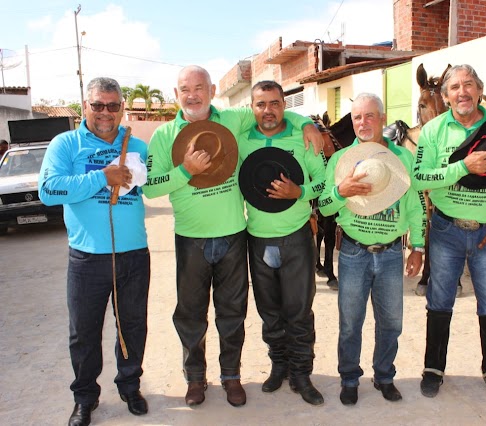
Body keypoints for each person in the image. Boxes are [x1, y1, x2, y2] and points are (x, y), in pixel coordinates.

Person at [142, 65, 323, 408]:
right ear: (176, 94)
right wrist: (185, 172)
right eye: (185, 89)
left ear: (212, 90)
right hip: (191, 238)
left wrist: (308, 123)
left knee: (232, 313)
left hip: (235, 236)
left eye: (199, 87)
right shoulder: (165, 136)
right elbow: (150, 188)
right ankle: (195, 379)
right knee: (191, 314)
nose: (192, 94)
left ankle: (231, 377)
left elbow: (273, 113)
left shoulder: (233, 120)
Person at [38, 77, 150, 426]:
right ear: (85, 106)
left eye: (113, 106)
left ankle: (130, 386)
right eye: (98, 105)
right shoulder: (66, 144)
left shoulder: (136, 145)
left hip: (133, 254)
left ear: (121, 108)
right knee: (84, 332)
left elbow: (153, 185)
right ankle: (85, 398)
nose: (105, 113)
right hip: (87, 258)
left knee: (132, 326)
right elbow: (48, 191)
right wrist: (102, 177)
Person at [411, 64, 486, 401]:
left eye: (468, 85)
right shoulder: (432, 132)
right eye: (455, 87)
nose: (462, 92)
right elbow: (419, 179)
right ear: (445, 96)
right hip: (446, 230)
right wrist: (463, 168)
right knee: (440, 300)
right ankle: (433, 368)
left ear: (479, 90)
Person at [319, 93, 425, 406]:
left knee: (392, 322)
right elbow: (325, 207)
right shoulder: (341, 161)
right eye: (357, 118)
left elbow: (417, 207)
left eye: (369, 116)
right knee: (350, 322)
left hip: (392, 253)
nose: (363, 123)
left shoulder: (403, 159)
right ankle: (349, 378)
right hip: (353, 253)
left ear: (382, 117)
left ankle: (384, 376)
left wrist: (417, 247)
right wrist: (341, 191)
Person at [237, 80, 326, 405]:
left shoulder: (303, 137)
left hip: (296, 238)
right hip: (258, 240)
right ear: (252, 108)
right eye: (261, 104)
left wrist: (299, 192)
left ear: (284, 105)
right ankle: (279, 366)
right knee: (270, 312)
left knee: (299, 311)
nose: (268, 110)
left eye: (274, 103)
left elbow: (324, 182)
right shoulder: (242, 141)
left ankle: (302, 374)